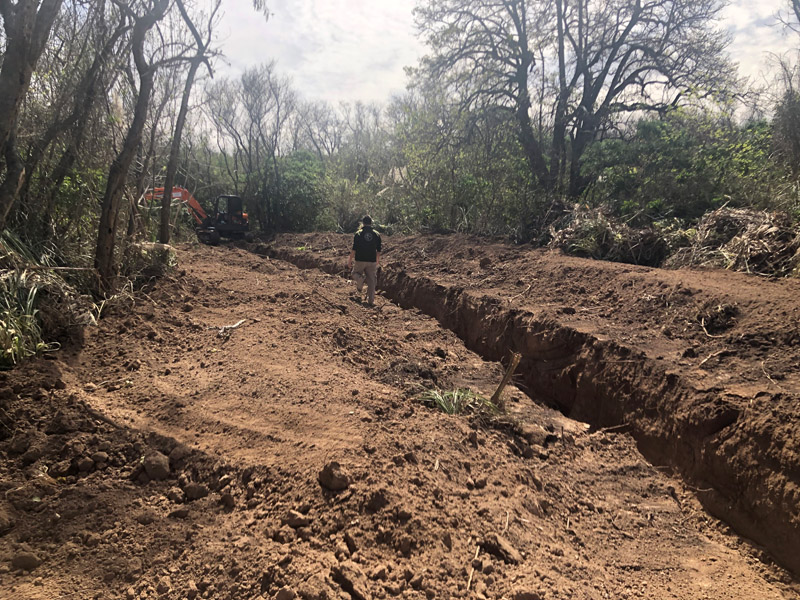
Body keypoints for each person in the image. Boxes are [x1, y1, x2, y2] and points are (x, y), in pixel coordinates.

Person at [347, 215, 381, 306]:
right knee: (372, 281)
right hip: (372, 260)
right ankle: (371, 301)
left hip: (360, 259)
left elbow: (354, 249)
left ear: (363, 223)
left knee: (354, 273)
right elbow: (379, 250)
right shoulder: (377, 234)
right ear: (371, 223)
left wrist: (350, 259)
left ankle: (360, 279)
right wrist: (377, 260)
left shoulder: (358, 233)